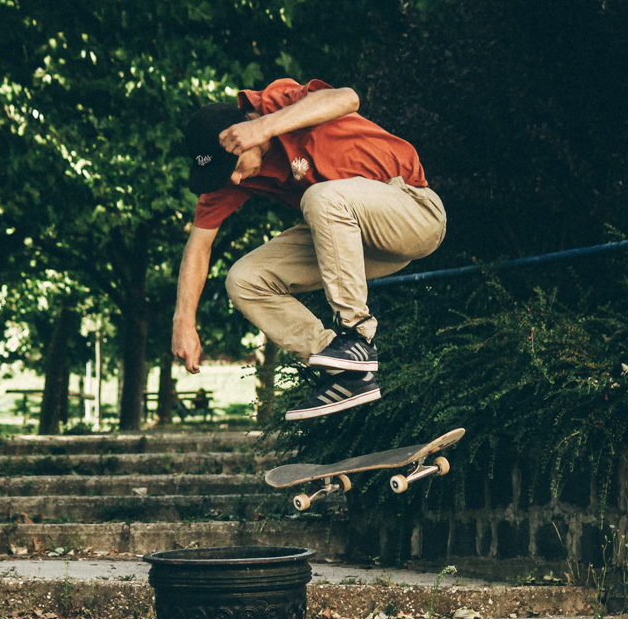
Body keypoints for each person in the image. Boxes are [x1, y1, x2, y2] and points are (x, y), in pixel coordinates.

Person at [172, 77, 446, 420]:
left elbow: (347, 97)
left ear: (246, 137)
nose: (236, 181)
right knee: (244, 279)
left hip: (413, 211)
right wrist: (184, 320)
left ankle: (357, 335)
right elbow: (199, 244)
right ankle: (348, 373)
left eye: (232, 169)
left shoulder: (279, 104)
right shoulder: (230, 177)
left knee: (321, 197)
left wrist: (264, 126)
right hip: (351, 240)